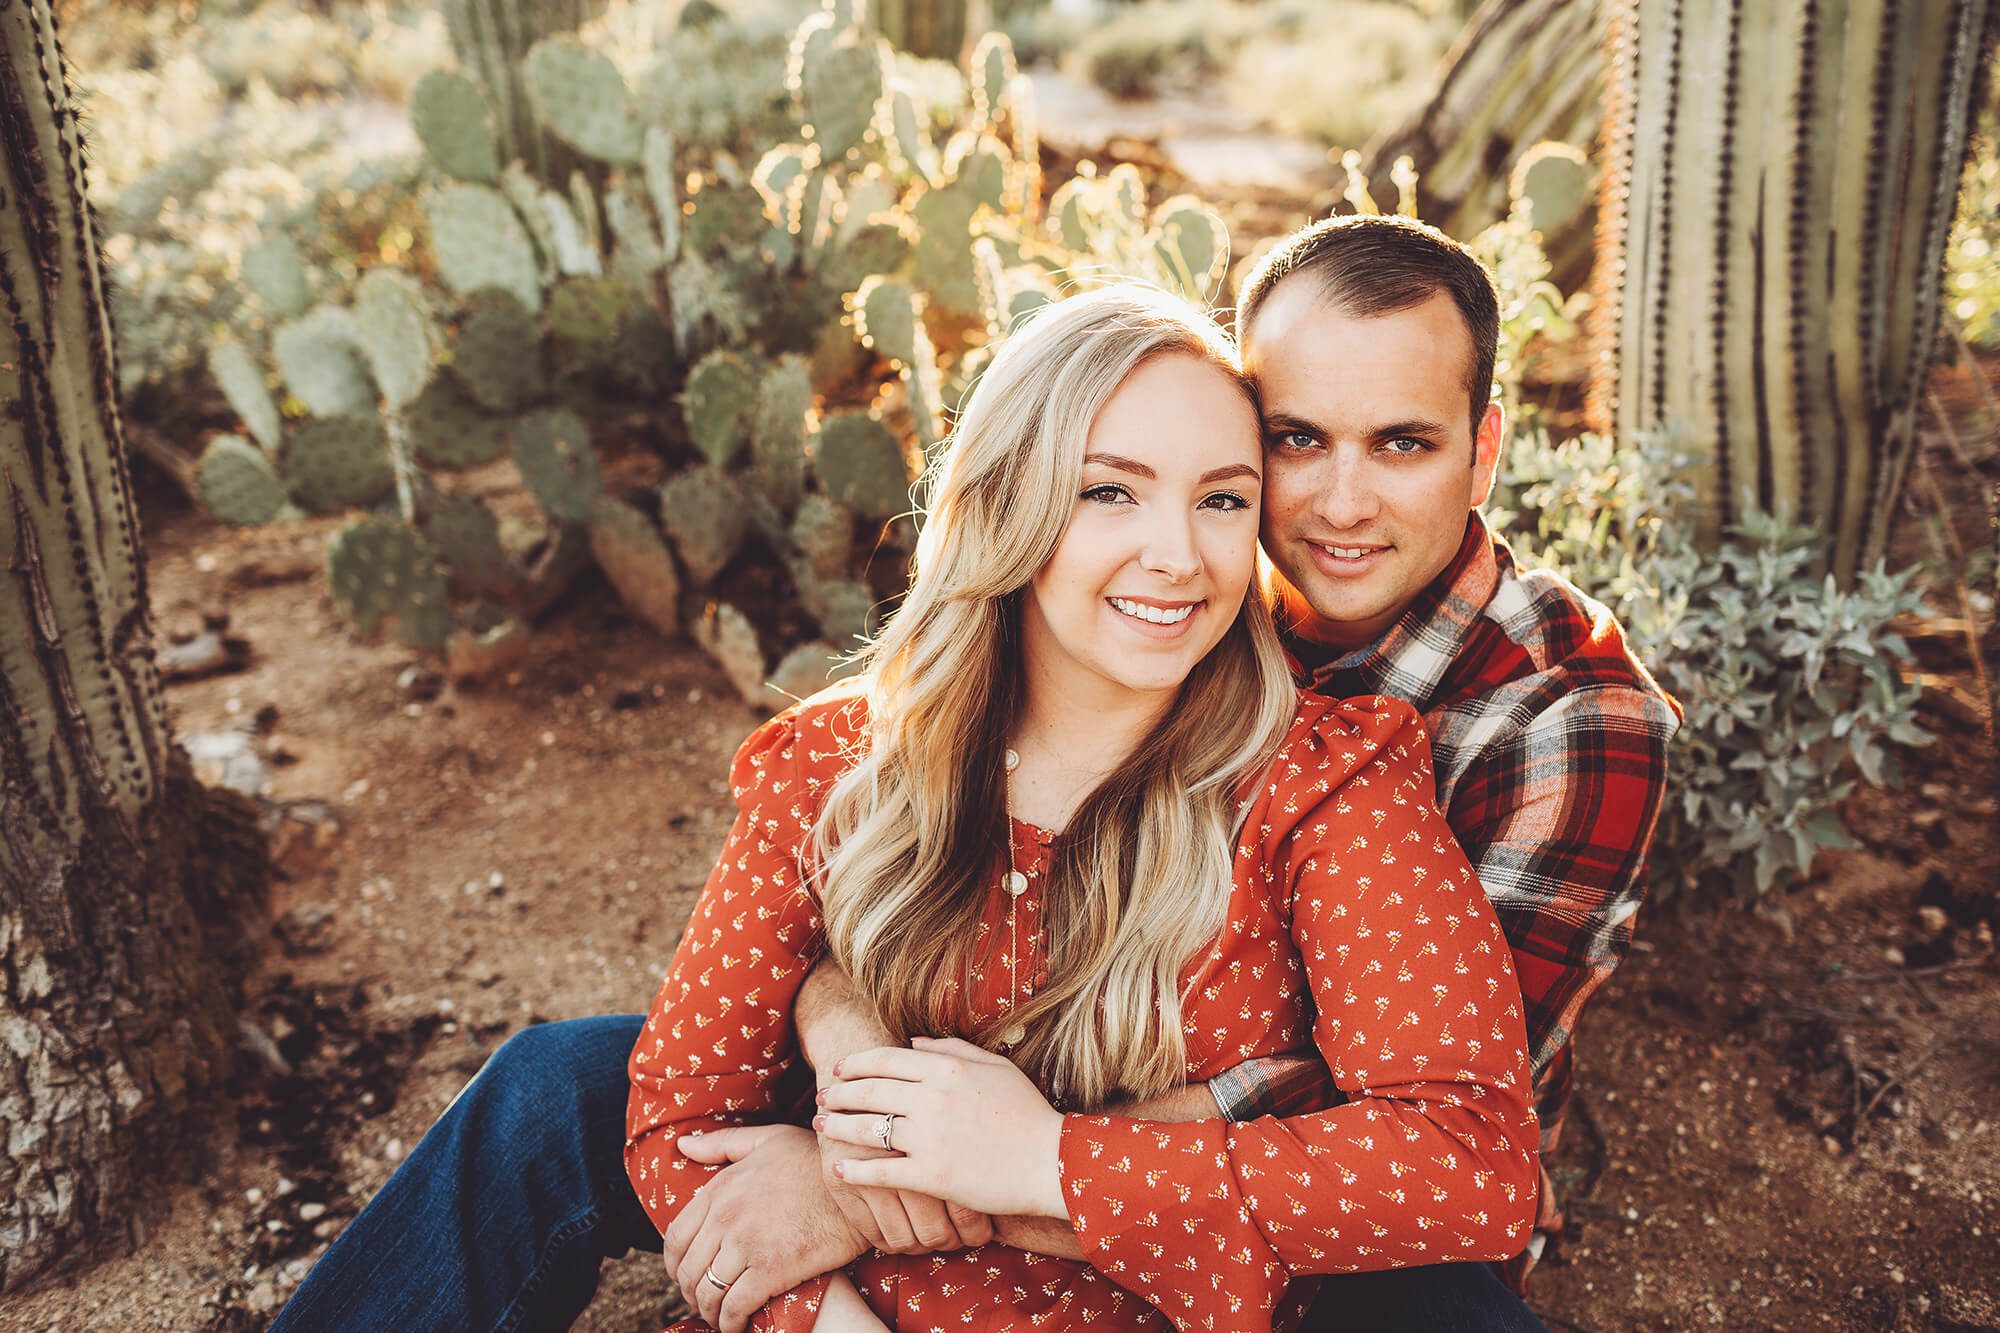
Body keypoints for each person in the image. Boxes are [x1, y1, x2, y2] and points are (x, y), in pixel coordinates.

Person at [273, 215, 1677, 1333]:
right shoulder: (1197, 602)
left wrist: (901, 1174)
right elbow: (828, 918)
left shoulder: (1547, 726)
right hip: (989, 1083)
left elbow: (1362, 1095)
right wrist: (837, 1034)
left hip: (1318, 1221)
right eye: (1292, 444)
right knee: (568, 1086)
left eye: (1405, 445)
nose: (1335, 503)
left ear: (1483, 448)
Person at [625, 282, 1537, 1332]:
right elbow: (684, 1115)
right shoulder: (838, 762)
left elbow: (1467, 1162)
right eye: (1110, 491)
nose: (1176, 554)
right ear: (1011, 497)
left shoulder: (1325, 783)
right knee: (546, 1090)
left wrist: (1041, 1162)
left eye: (1221, 499)